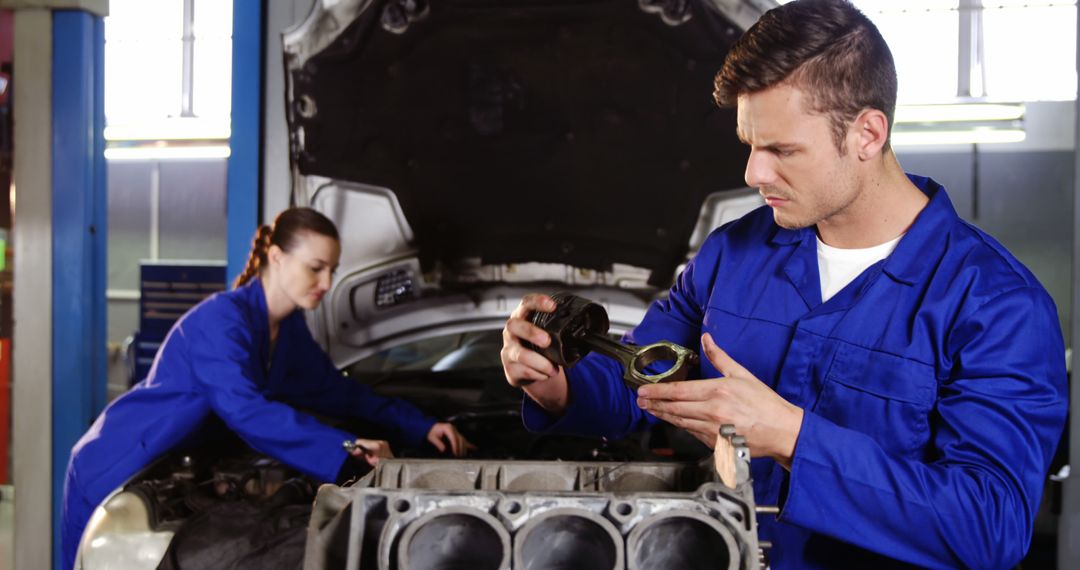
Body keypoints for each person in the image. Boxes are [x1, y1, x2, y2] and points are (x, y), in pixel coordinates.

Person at [501, 0, 1067, 567]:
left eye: (782, 150)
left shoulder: (998, 306)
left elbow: (989, 525)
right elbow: (644, 380)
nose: (754, 174)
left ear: (868, 133)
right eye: (750, 144)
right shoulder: (733, 254)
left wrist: (795, 438)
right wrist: (556, 384)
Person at [62, 207, 472, 569]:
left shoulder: (288, 331)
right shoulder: (220, 320)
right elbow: (245, 410)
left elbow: (338, 392)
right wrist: (346, 452)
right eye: (316, 267)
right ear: (276, 257)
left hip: (182, 464)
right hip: (119, 466)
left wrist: (421, 426)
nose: (327, 282)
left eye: (332, 269)